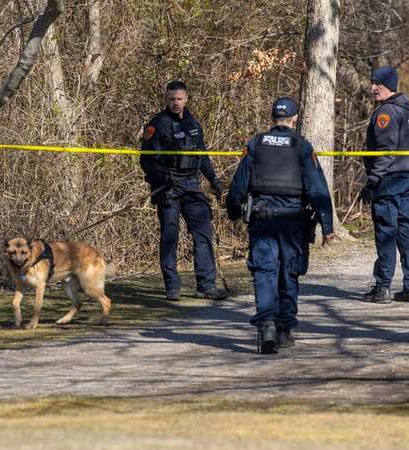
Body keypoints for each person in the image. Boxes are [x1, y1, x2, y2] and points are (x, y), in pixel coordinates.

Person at [226, 97, 335, 354]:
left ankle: (267, 327)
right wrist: (327, 227)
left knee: (264, 272)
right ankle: (284, 329)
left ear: (272, 118)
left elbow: (239, 185)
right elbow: (318, 190)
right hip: (292, 222)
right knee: (289, 272)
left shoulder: (256, 144)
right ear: (295, 118)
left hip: (262, 219)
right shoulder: (302, 147)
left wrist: (232, 211)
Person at [140, 81, 228, 301]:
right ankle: (172, 287)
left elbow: (202, 156)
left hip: (191, 185)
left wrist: (214, 181)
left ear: (186, 99)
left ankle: (206, 286)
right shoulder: (157, 124)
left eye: (179, 99)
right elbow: (146, 161)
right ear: (165, 100)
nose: (175, 103)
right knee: (170, 236)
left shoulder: (193, 123)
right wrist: (163, 178)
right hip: (167, 188)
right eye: (171, 99)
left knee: (203, 234)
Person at [360, 65, 409, 304]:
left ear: (390, 86)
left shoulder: (386, 113)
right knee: (406, 232)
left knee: (387, 232)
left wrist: (372, 181)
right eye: (373, 83)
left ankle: (383, 287)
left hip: (389, 181)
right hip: (408, 179)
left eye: (378, 84)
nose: (373, 88)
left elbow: (386, 152)